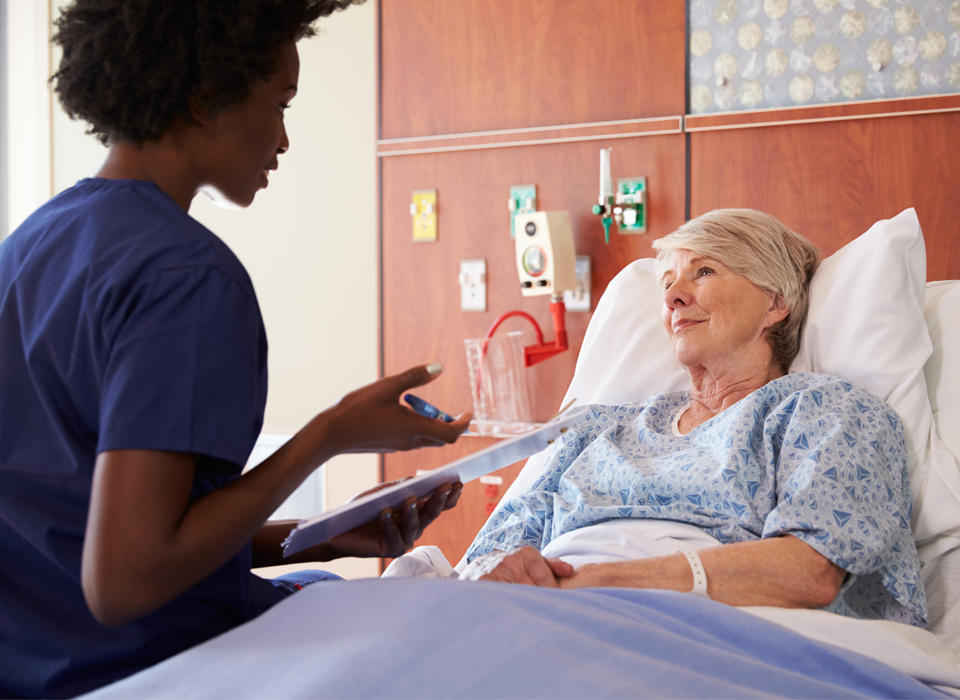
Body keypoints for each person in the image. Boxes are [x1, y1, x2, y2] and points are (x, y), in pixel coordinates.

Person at [0, 1, 470, 697]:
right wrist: (330, 433)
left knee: (335, 585)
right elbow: (126, 580)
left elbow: (83, 535)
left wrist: (322, 535)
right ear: (204, 99)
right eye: (280, 103)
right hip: (146, 668)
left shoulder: (30, 245)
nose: (283, 139)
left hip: (35, 664)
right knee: (461, 627)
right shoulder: (187, 279)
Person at [457, 208, 926, 629]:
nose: (674, 297)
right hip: (534, 618)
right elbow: (487, 560)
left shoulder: (824, 411)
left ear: (775, 303)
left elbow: (810, 572)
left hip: (692, 627)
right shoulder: (592, 429)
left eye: (703, 272)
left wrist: (597, 583)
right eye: (666, 285)